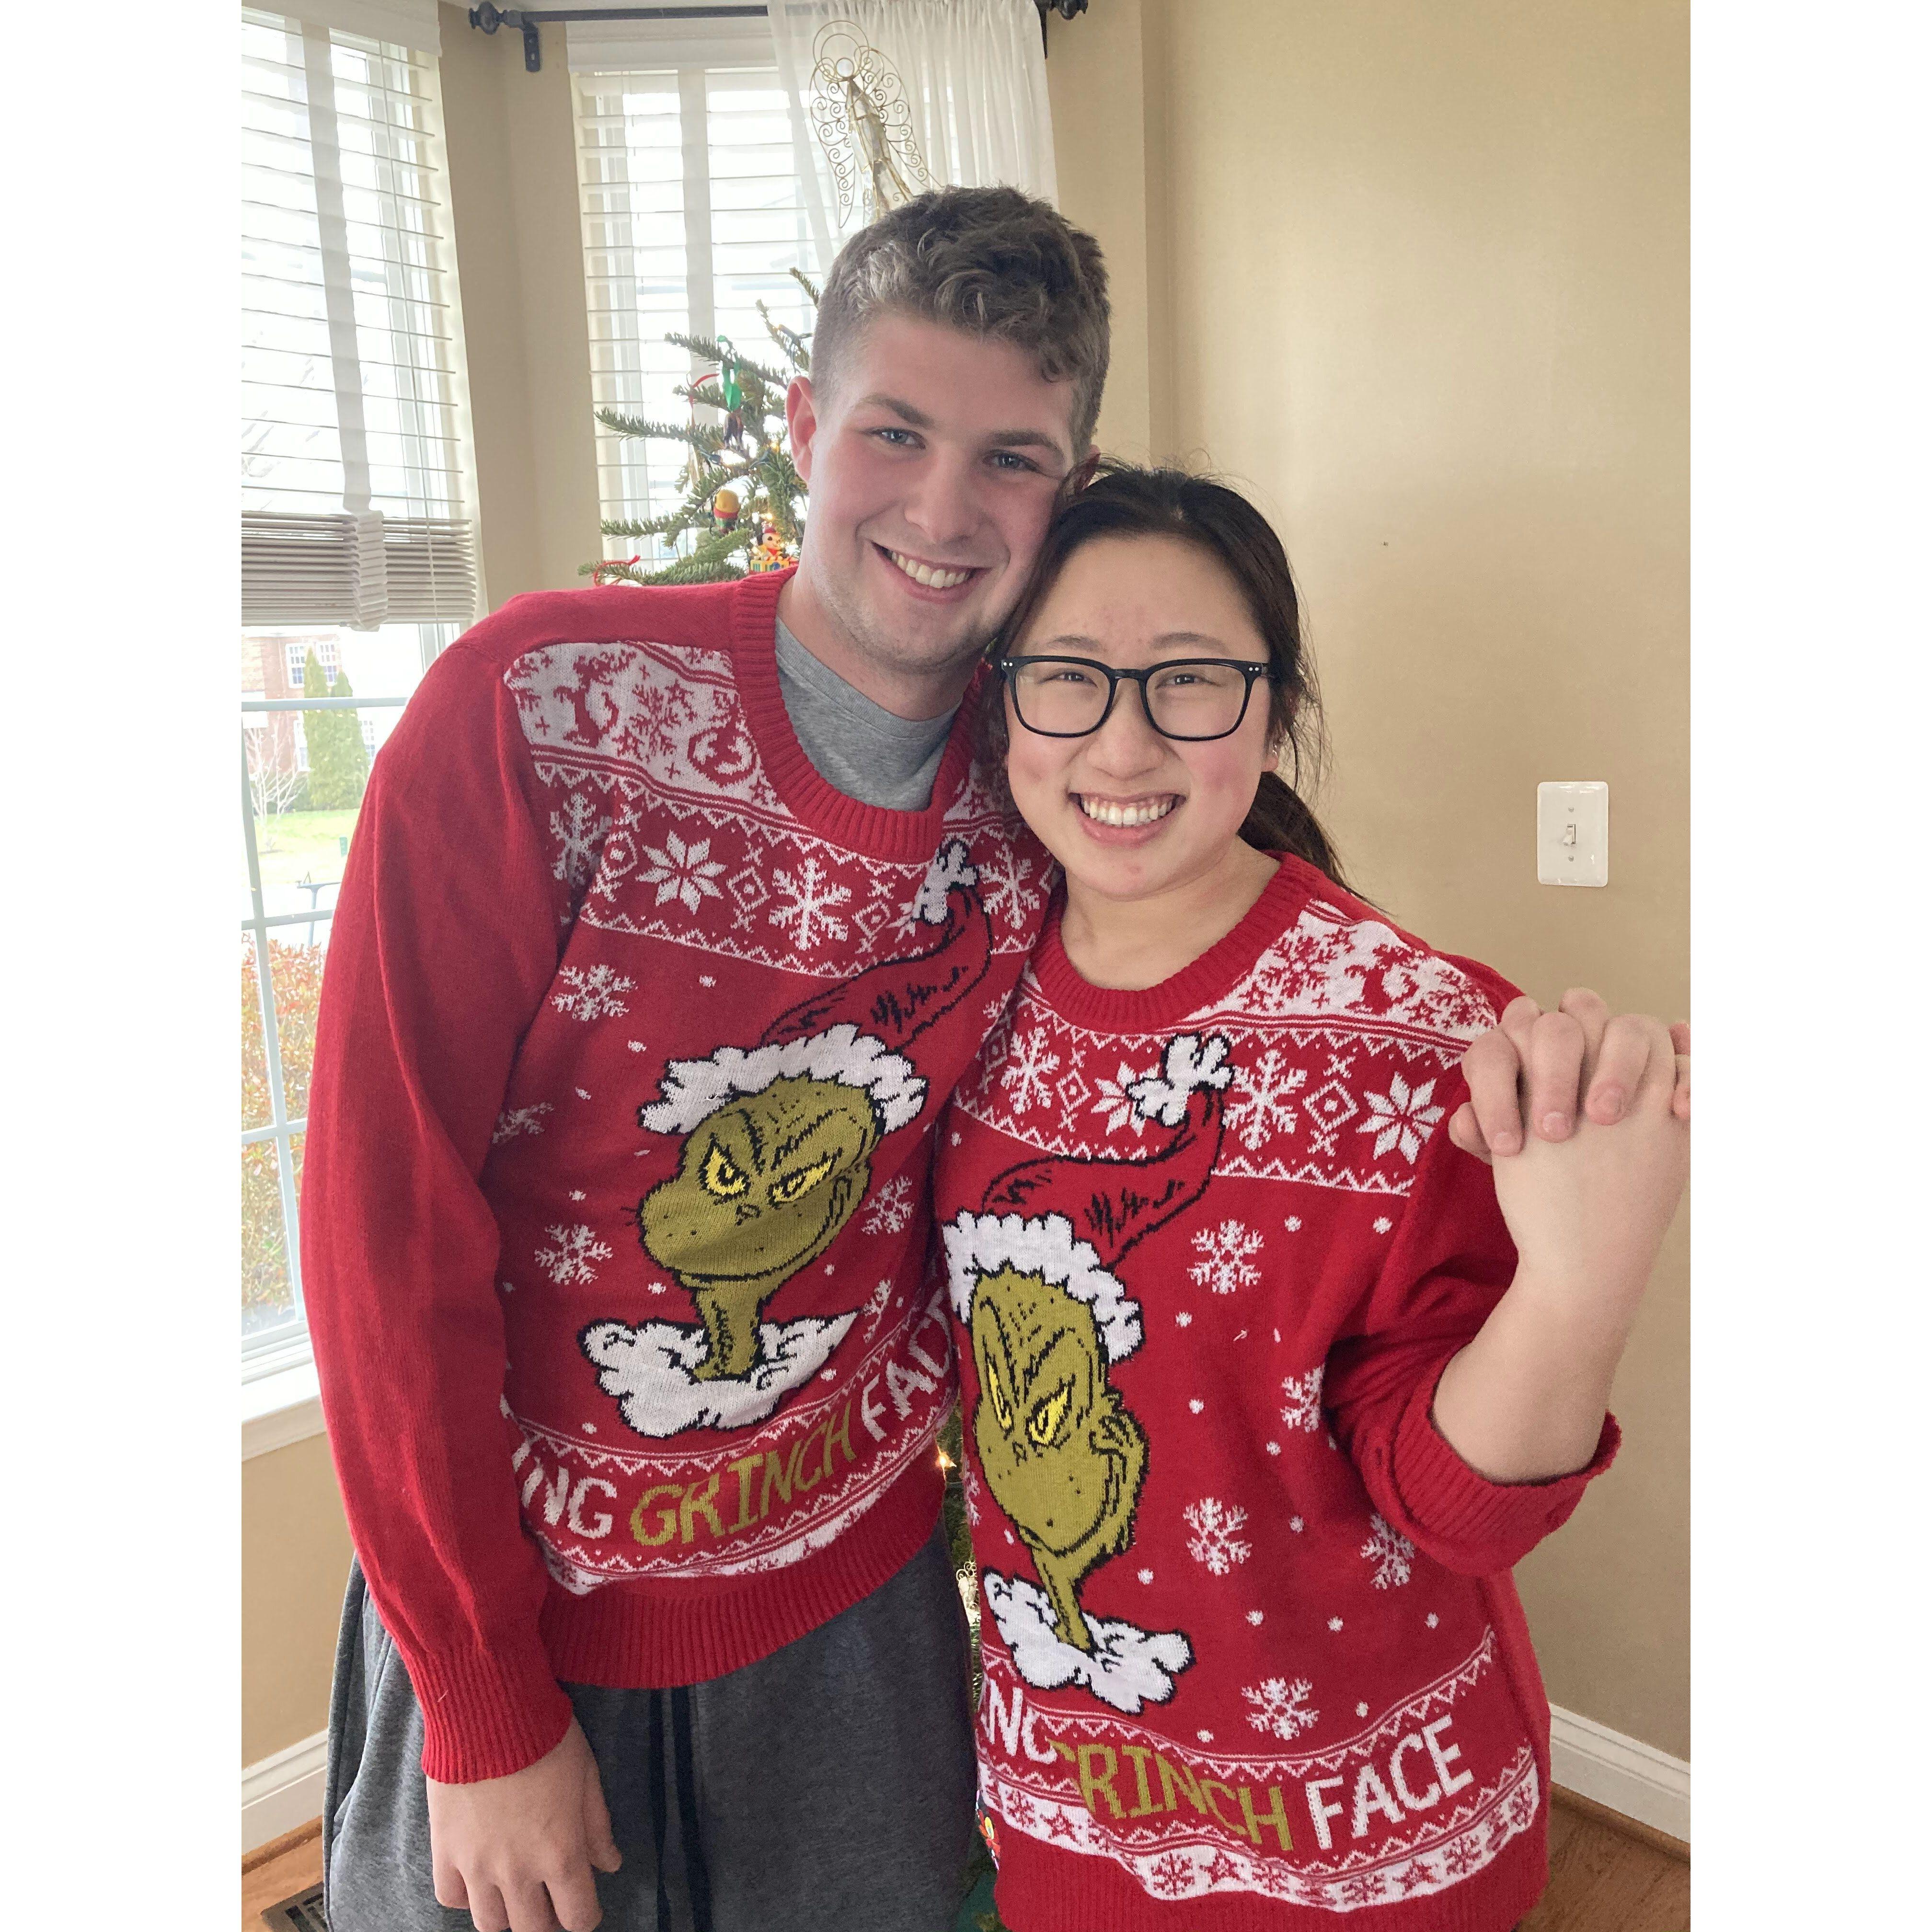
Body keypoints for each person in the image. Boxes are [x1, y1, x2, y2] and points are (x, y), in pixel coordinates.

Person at [302, 186, 1112, 1932]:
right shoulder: (536, 711)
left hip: (855, 1619)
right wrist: (485, 1701)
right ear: (811, 429)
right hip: (522, 1621)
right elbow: (382, 1231)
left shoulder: (1053, 786)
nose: (944, 509)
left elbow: (1244, 967)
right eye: (895, 432)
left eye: (1014, 460)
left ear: (1068, 490)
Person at [934, 464, 1689, 1929]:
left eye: (1195, 682)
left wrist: (1586, 1275)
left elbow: (1458, 1513)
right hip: (1070, 1812)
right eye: (1069, 678)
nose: (1127, 740)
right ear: (1003, 700)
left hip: (1364, 1847)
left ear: (1274, 709)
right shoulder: (966, 1004)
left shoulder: (1421, 1038)